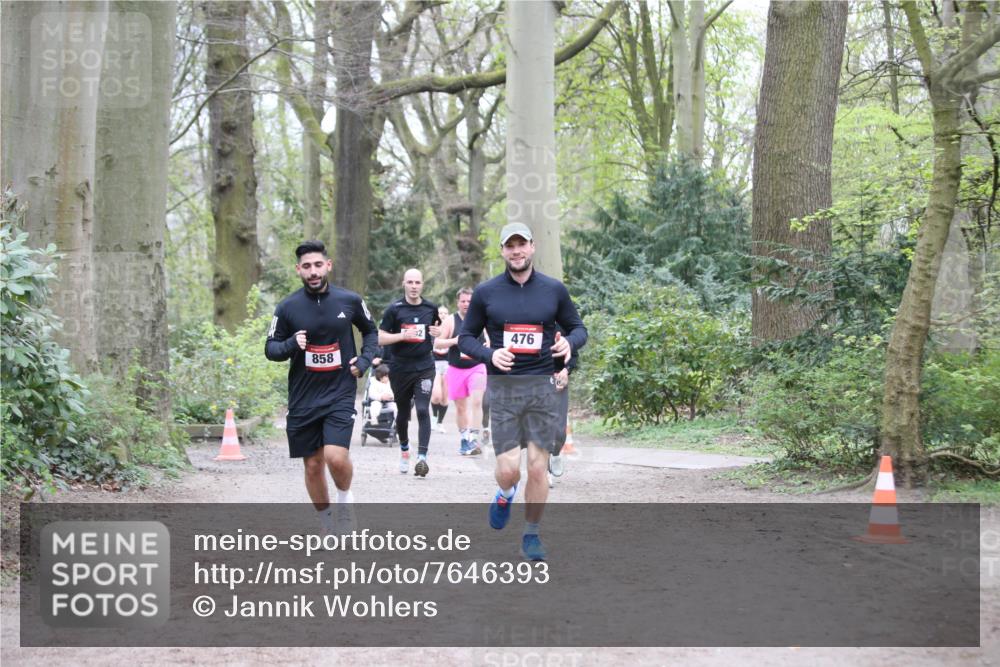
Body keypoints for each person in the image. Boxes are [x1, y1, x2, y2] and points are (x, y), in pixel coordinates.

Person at [458, 223, 587, 561]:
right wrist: (489, 355)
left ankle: (531, 534)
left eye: (521, 244)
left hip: (543, 387)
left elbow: (578, 328)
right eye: (509, 246)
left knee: (538, 467)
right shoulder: (487, 292)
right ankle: (505, 492)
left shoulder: (553, 290)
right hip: (504, 389)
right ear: (502, 251)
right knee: (508, 469)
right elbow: (465, 338)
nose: (516, 251)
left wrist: (569, 345)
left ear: (532, 247)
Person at [265, 240, 377, 536]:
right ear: (298, 270)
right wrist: (291, 343)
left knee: (335, 456)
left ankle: (345, 501)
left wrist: (364, 360)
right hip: (303, 396)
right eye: (306, 267)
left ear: (328, 265)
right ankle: (327, 523)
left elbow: (371, 331)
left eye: (318, 265)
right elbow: (270, 348)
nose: (313, 272)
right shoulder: (287, 307)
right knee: (313, 465)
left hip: (340, 391)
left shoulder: (349, 300)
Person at [378, 269, 442, 477]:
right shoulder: (394, 309)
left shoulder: (431, 308)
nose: (414, 286)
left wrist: (437, 334)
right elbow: (380, 337)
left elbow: (435, 331)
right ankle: (405, 449)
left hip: (424, 366)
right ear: (404, 284)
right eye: (410, 282)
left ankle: (422, 458)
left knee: (423, 410)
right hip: (400, 367)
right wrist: (402, 335)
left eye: (417, 282)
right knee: (403, 413)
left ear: (422, 285)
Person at [435, 287, 488, 456]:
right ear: (458, 302)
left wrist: (487, 346)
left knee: (477, 402)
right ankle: (465, 439)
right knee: (461, 408)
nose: (466, 304)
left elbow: (490, 340)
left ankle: (474, 438)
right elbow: (438, 343)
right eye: (463, 301)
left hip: (477, 367)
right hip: (456, 369)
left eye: (469, 301)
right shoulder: (451, 320)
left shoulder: (482, 319)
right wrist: (455, 340)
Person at [431, 304, 451, 433]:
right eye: (440, 313)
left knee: (444, 399)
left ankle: (440, 422)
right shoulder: (433, 330)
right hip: (435, 364)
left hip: (449, 364)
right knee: (436, 396)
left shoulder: (452, 329)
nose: (443, 315)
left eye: (445, 313)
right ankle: (433, 419)